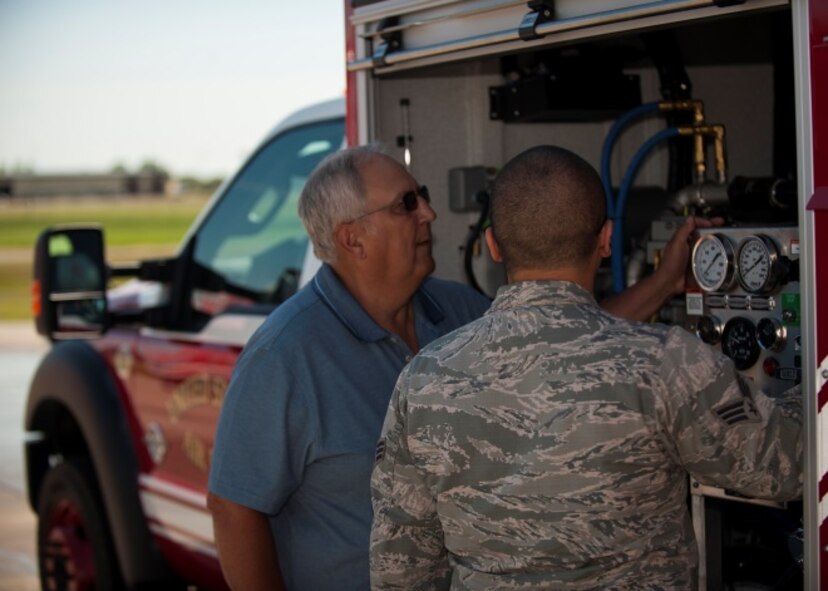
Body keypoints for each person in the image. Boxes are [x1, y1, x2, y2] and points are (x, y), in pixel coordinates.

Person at [207, 145, 714, 591]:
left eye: (421, 195)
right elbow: (234, 510)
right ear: (352, 239)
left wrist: (666, 282)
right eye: (406, 205)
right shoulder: (284, 355)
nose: (428, 212)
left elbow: (574, 343)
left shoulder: (454, 310)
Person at [369, 145, 802, 590]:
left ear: (494, 246)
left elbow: (401, 568)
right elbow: (790, 462)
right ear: (606, 239)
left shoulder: (424, 380)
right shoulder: (665, 364)